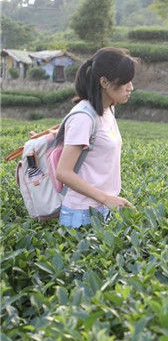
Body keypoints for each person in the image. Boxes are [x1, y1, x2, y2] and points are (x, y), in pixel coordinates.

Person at [56, 47, 135, 228]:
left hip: (103, 207)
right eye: (125, 82)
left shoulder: (108, 109)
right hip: (81, 212)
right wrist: (106, 198)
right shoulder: (84, 117)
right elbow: (63, 172)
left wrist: (108, 200)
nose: (131, 87)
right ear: (104, 82)